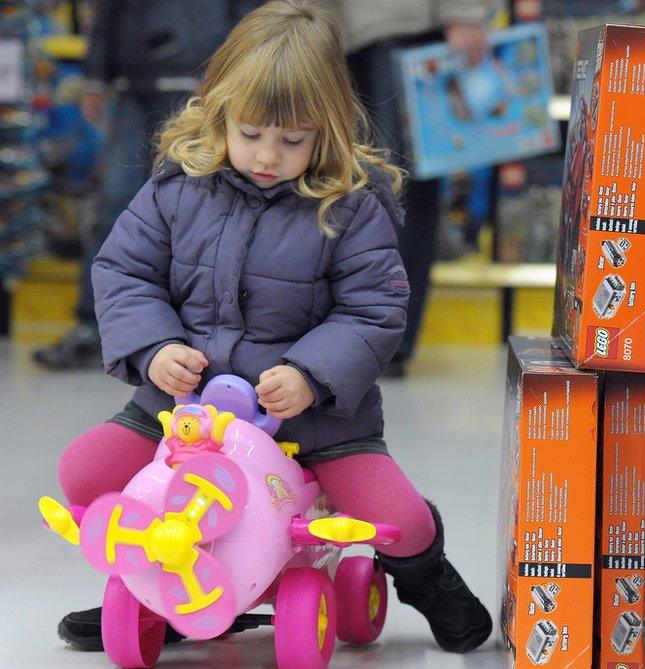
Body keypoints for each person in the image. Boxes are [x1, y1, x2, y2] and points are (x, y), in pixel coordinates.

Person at [54, 0, 492, 655]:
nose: (267, 155)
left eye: (294, 140)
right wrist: (155, 348)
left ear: (330, 131)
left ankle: (429, 579)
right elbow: (124, 272)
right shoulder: (178, 187)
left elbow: (373, 309)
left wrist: (312, 374)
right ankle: (165, 585)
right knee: (83, 471)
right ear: (219, 110)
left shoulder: (350, 207)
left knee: (397, 519)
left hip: (313, 424)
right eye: (252, 132)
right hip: (183, 412)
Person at [33, 0, 262, 370]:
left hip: (203, 88)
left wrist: (231, 69)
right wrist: (95, 76)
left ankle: (201, 333)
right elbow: (107, 13)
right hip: (133, 90)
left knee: (205, 209)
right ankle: (95, 326)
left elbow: (252, 11)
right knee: (113, 207)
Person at [336, 0, 492, 377]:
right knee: (350, 184)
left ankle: (385, 343)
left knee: (395, 188)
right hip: (334, 33)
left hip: (404, 28)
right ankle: (365, 340)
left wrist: (463, 13)